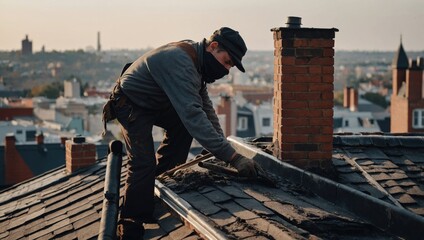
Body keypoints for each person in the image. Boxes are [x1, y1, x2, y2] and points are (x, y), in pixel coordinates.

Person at [103, 27, 261, 239]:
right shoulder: (181, 62)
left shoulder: (197, 62)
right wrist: (233, 157)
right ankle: (131, 218)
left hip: (155, 102)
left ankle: (159, 183)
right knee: (142, 163)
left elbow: (206, 110)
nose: (226, 70)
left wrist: (221, 149)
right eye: (226, 62)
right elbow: (193, 116)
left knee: (184, 128)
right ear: (213, 47)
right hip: (130, 103)